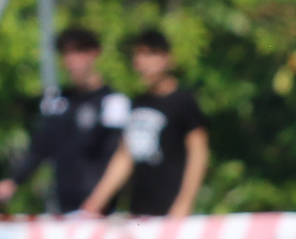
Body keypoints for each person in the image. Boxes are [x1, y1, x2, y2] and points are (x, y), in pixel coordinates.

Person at [0, 27, 128, 214]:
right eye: (66, 54)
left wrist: (97, 203)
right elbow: (39, 148)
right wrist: (13, 181)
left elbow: (118, 158)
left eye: (78, 52)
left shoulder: (113, 102)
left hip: (97, 211)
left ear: (94, 54)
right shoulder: (58, 102)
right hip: (61, 209)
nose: (72, 61)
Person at [81, 28, 209, 217]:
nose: (143, 62)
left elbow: (198, 154)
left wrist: (185, 203)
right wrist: (95, 202)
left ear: (168, 59)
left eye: (151, 54)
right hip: (139, 212)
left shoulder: (184, 102)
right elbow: (125, 156)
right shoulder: (137, 104)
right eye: (139, 55)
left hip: (171, 211)